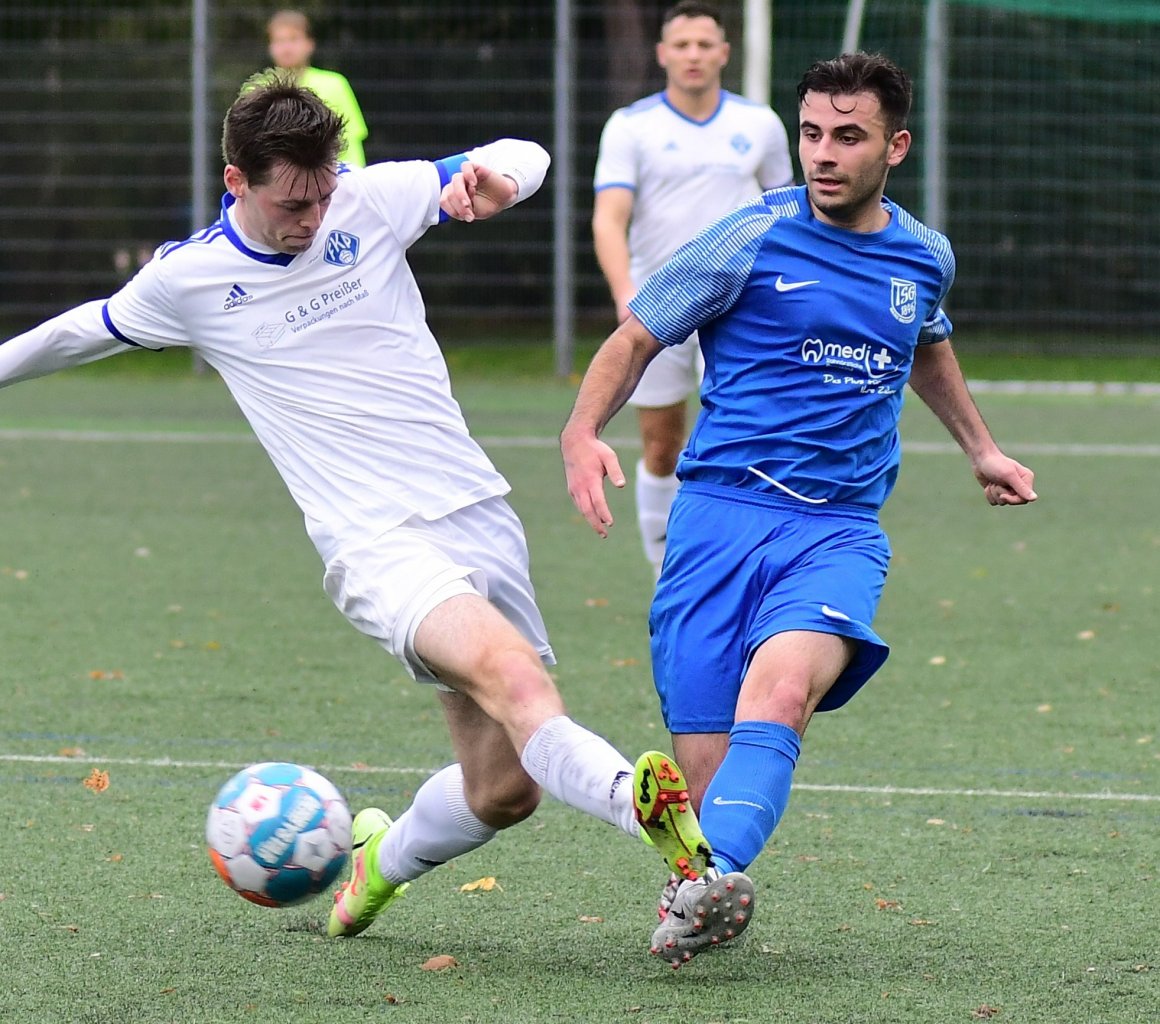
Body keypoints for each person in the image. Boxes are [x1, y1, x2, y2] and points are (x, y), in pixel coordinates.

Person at [0, 72, 712, 948]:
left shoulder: (368, 201)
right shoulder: (189, 281)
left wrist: (491, 181)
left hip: (476, 510)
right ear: (238, 183)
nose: (311, 216)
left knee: (503, 788)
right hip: (376, 544)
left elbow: (528, 155)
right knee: (520, 682)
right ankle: (668, 838)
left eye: (322, 193)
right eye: (292, 202)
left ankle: (377, 865)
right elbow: (78, 330)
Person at [562, 52, 1038, 967]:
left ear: (894, 146)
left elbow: (925, 345)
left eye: (848, 137)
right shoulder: (745, 239)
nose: (823, 153)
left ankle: (708, 879)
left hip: (839, 532)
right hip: (717, 521)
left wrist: (981, 447)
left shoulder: (923, 255)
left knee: (782, 690)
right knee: (702, 780)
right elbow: (636, 335)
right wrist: (583, 431)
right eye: (812, 132)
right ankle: (701, 877)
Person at [592, 1, 793, 579]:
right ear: (662, 54)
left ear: (724, 53)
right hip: (660, 307)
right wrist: (625, 290)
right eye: (682, 45)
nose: (694, 56)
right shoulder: (631, 126)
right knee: (661, 447)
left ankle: (741, 560)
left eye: (705, 45)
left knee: (739, 438)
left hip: (740, 310)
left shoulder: (759, 124)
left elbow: (788, 213)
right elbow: (610, 218)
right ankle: (666, 573)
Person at [267, 9, 369, 167]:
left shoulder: (334, 84)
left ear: (309, 44)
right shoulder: (258, 90)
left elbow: (351, 144)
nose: (286, 47)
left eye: (293, 39)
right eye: (279, 41)